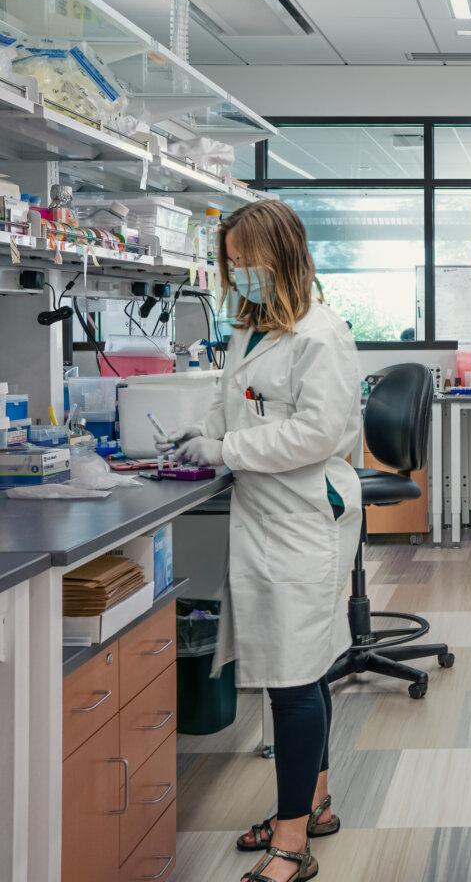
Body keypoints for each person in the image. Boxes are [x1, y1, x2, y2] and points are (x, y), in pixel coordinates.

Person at [154, 199, 362, 882]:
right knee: (299, 665)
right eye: (231, 263)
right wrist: (200, 437)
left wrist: (228, 447)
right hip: (266, 513)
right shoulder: (249, 331)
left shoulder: (320, 334)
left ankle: (293, 843)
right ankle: (317, 803)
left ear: (284, 257)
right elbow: (230, 404)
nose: (237, 273)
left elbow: (316, 434)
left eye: (248, 262)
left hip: (305, 515)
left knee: (294, 676)